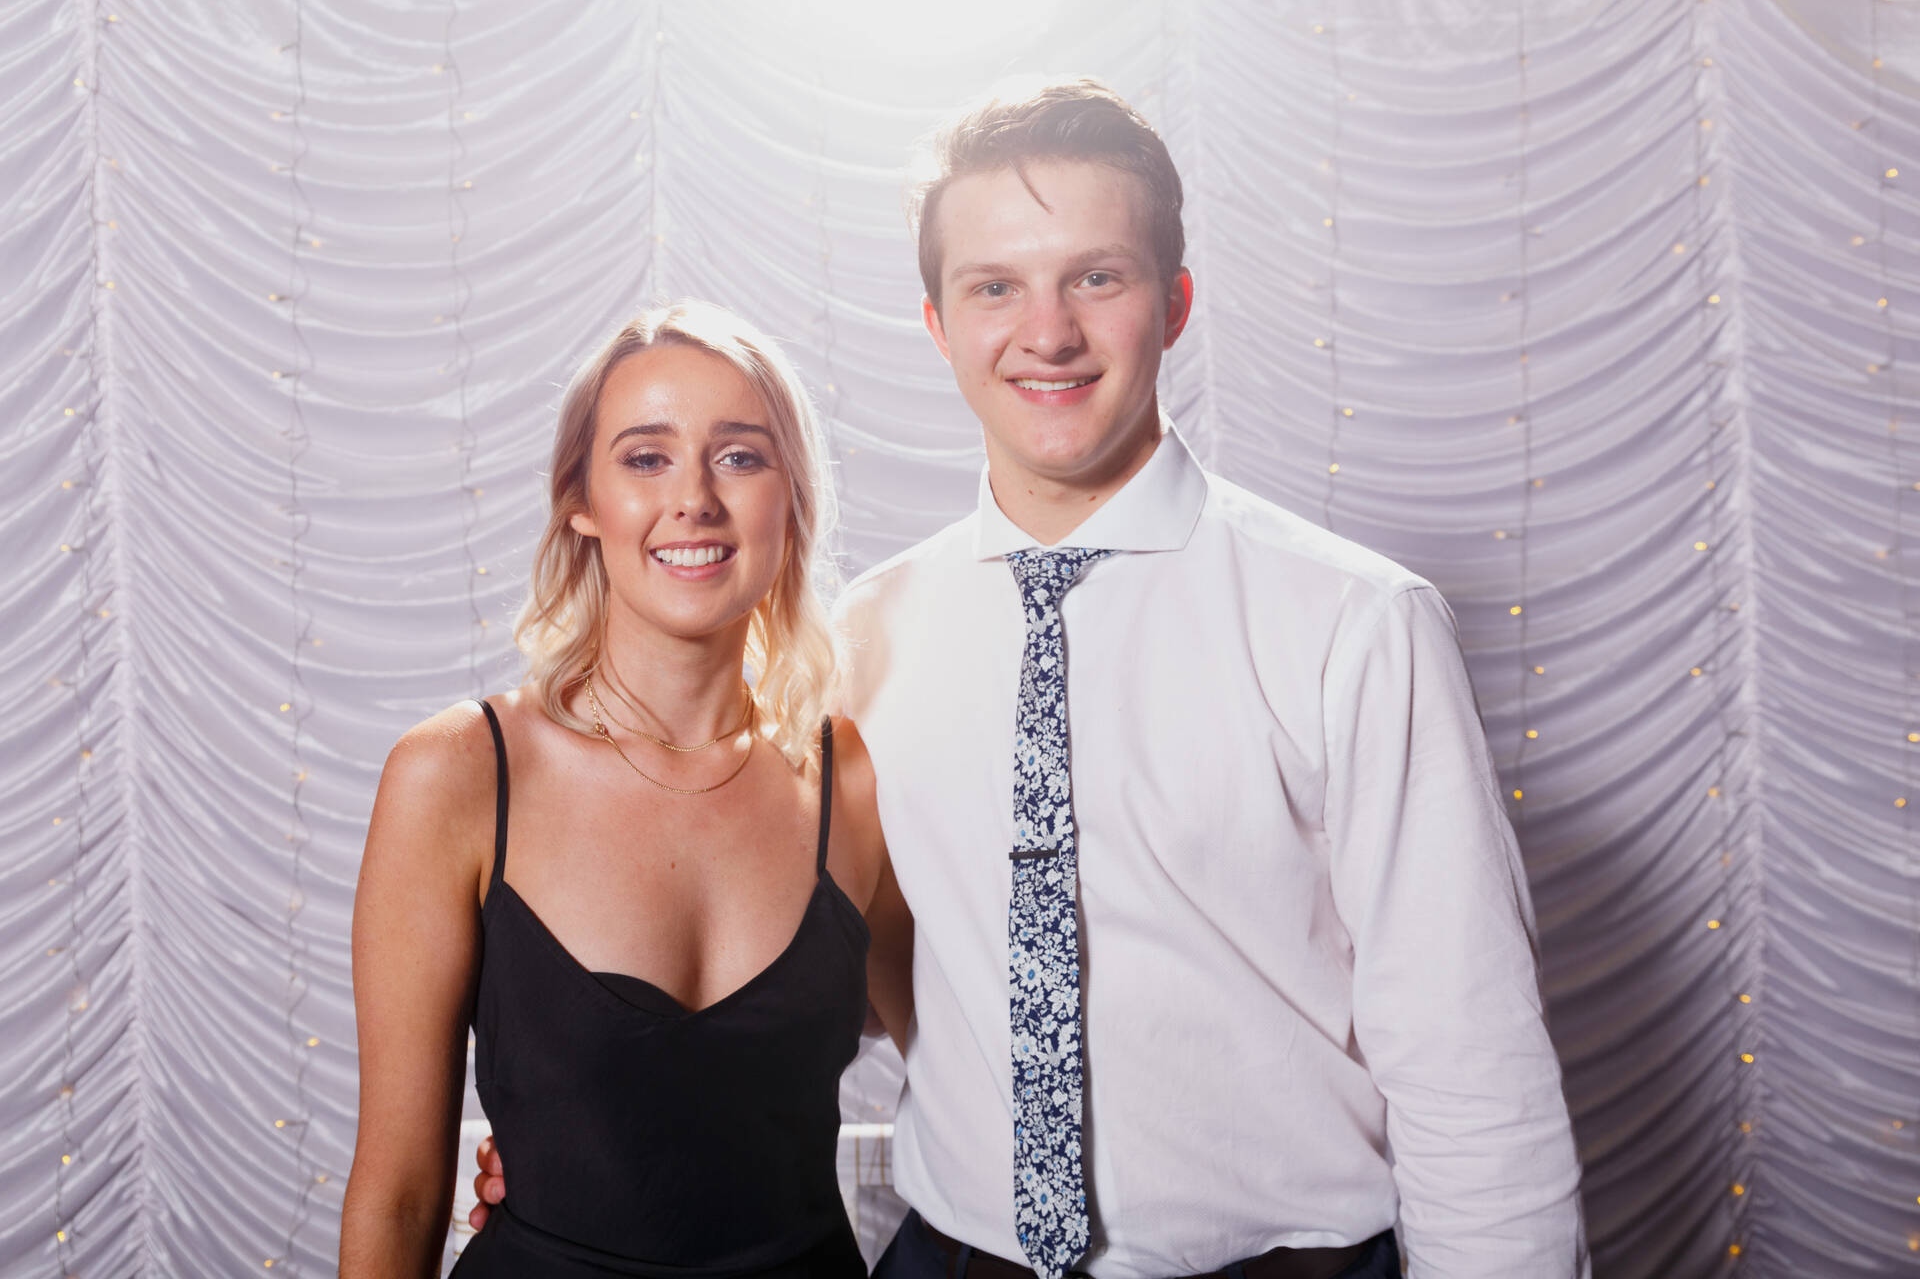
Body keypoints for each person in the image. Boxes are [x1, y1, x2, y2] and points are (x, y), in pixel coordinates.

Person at [476, 79, 1587, 1278]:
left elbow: (1473, 1068)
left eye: (1096, 278)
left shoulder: (1355, 625)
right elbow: (807, 978)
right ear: (939, 323)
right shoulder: (862, 640)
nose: (1046, 332)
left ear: (1175, 303)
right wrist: (593, 1144)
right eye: (995, 286)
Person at [340, 301, 911, 1278]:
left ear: (790, 496)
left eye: (740, 456)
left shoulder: (853, 776)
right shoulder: (459, 774)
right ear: (581, 499)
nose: (694, 498)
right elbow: (397, 1195)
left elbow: (967, 1064)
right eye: (647, 458)